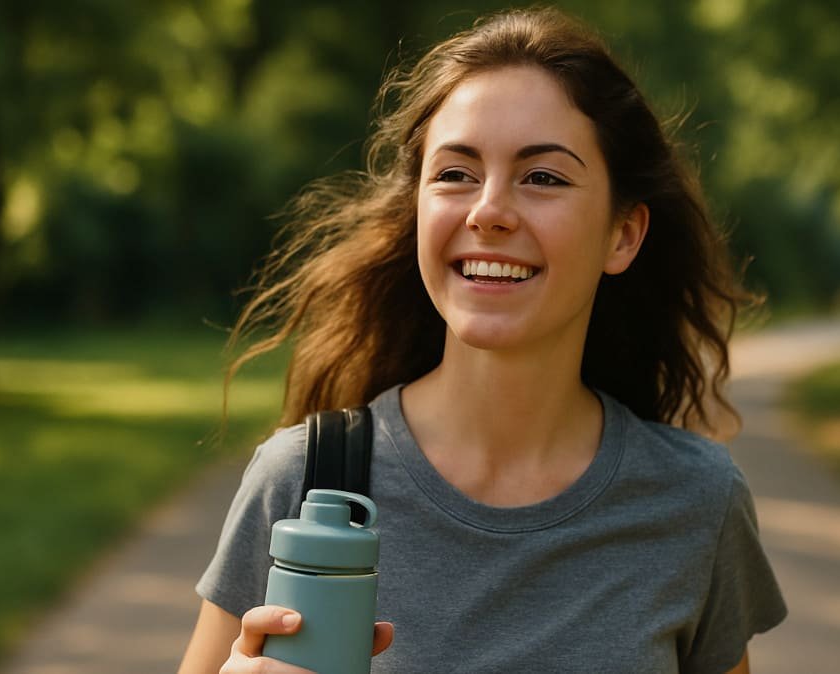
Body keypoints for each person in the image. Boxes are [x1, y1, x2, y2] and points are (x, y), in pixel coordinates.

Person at [178, 7, 785, 673]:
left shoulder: (694, 504)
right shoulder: (298, 481)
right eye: (455, 173)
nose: (488, 210)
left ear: (622, 234)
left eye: (543, 177)